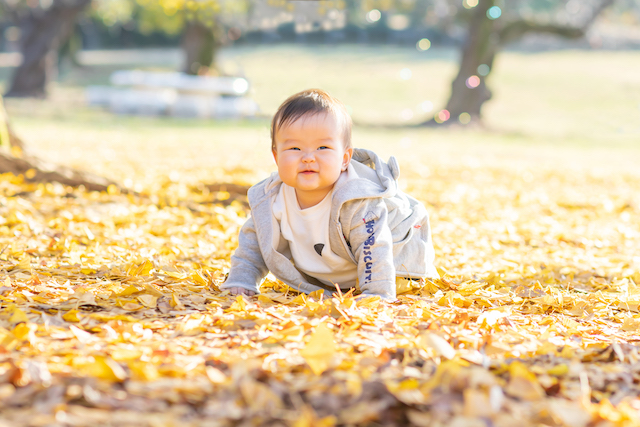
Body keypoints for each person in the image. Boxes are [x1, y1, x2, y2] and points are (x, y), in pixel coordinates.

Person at [221, 89, 438, 301]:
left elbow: (374, 245)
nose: (307, 157)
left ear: (345, 159)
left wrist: (377, 293)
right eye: (294, 148)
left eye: (322, 147)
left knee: (386, 271)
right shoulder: (271, 198)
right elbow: (255, 241)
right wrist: (242, 279)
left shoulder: (357, 201)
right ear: (276, 157)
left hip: (395, 268)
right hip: (332, 277)